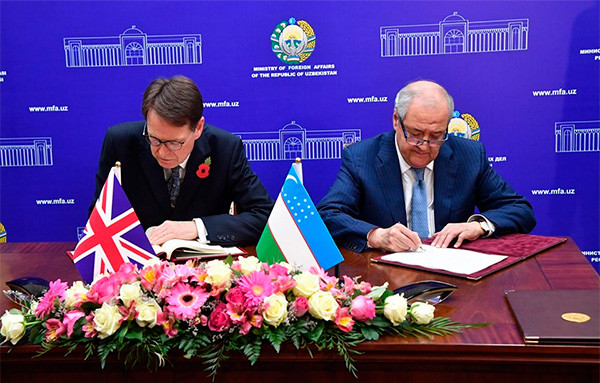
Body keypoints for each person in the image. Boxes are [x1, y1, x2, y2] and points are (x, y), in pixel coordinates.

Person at [317, 80, 535, 253]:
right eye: (415, 134)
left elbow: (520, 209)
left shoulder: (469, 155)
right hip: (387, 274)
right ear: (396, 120)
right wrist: (376, 235)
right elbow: (328, 214)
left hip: (452, 272)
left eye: (436, 135)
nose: (424, 145)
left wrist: (477, 226)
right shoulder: (361, 158)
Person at [90, 76, 274, 246]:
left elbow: (265, 216)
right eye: (154, 139)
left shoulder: (225, 148)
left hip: (203, 265)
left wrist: (196, 227)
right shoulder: (120, 142)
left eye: (174, 143)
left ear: (198, 128)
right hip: (139, 261)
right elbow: (98, 220)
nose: (162, 152)